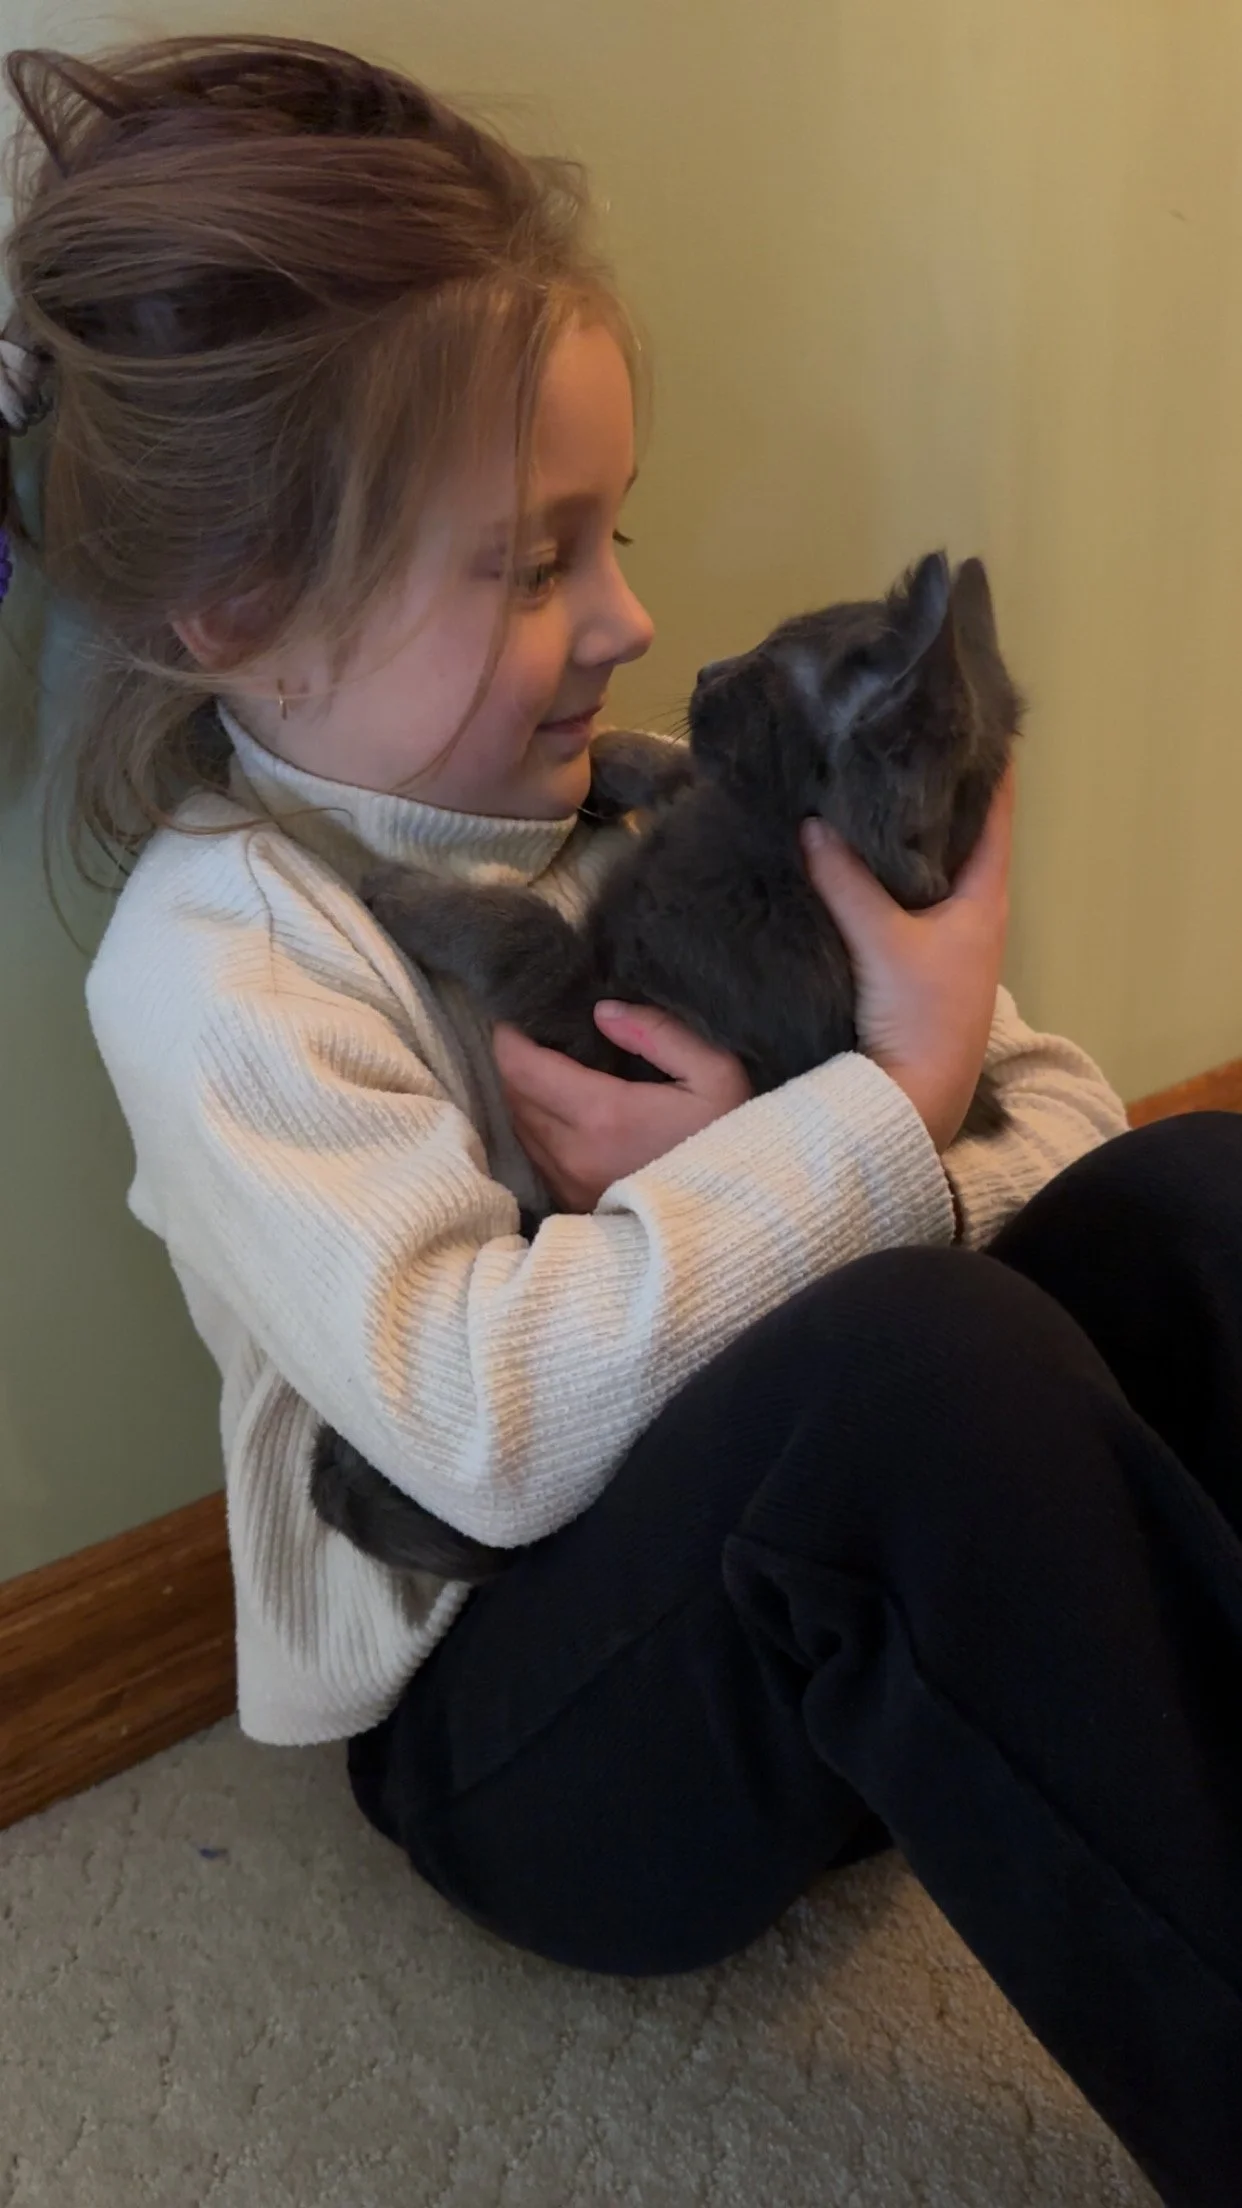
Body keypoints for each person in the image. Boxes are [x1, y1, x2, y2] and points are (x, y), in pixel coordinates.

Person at [3, 34, 1238, 2207]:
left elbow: (1054, 1118)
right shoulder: (224, 967)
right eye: (529, 564)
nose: (632, 619)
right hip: (531, 1734)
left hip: (858, 1609)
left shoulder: (657, 789)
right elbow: (477, 1426)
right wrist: (872, 1116)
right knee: (910, 1370)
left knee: (1204, 1196)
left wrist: (864, 1139)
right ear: (245, 616)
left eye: (617, 534)